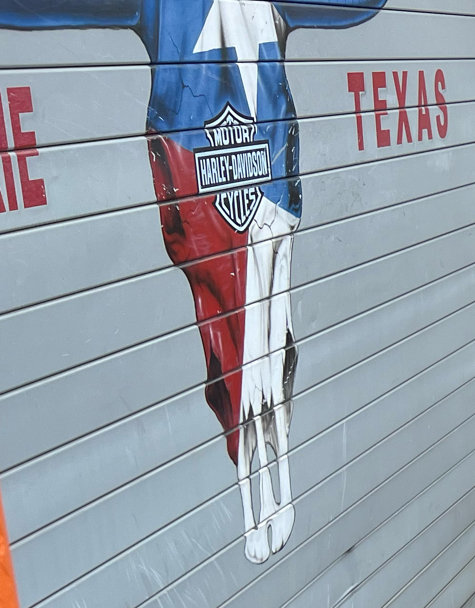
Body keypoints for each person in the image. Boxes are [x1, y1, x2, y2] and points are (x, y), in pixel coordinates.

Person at [2, 0, 391, 561]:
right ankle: (265, 478)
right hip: (227, 186)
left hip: (254, 202)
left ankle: (265, 474)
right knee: (253, 360)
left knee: (258, 358)